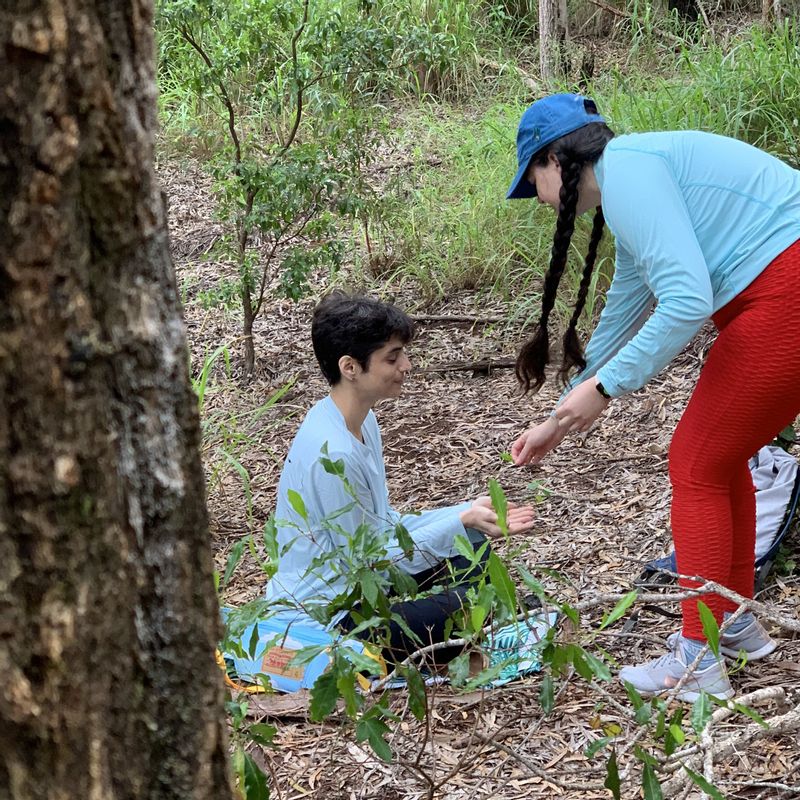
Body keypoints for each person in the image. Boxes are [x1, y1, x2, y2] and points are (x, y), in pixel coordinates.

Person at [506, 93, 800, 701]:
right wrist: (561, 415)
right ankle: (732, 619)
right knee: (719, 459)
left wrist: (608, 388)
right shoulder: (631, 180)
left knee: (693, 462)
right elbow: (624, 312)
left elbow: (687, 301)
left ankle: (697, 663)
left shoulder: (631, 172)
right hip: (774, 294)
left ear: (557, 159)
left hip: (785, 293)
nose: (534, 195)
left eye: (531, 176)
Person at [266, 291, 535, 665]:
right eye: (392, 358)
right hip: (329, 615)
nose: (406, 365)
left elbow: (384, 526)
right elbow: (368, 564)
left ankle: (466, 633)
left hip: (361, 584)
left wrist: (465, 514)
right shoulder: (335, 454)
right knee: (468, 599)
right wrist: (458, 521)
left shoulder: (358, 420)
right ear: (350, 367)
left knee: (473, 557)